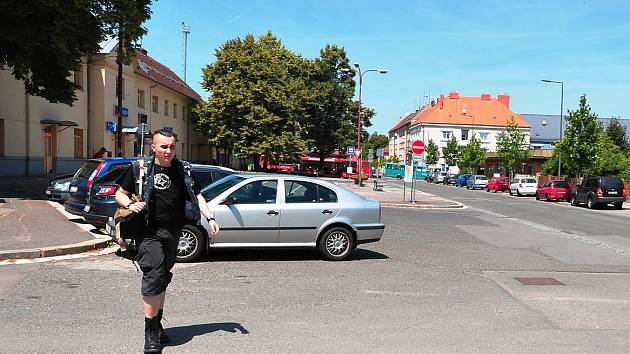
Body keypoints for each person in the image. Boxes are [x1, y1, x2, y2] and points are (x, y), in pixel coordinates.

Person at [115, 129, 219, 353]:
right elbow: (119, 193)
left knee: (163, 277)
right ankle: (150, 334)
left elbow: (197, 195)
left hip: (174, 231)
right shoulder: (140, 169)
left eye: (172, 146)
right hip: (147, 232)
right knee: (154, 275)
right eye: (163, 147)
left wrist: (210, 217)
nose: (168, 151)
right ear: (153, 147)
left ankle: (158, 325)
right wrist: (129, 205)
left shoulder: (183, 170)